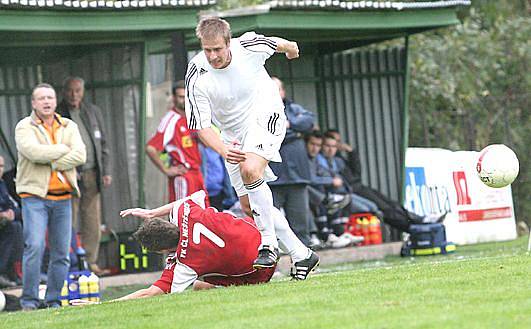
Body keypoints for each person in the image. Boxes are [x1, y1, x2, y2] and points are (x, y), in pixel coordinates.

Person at [185, 17, 318, 271]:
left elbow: (275, 43)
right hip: (231, 136)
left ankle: (268, 245)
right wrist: (224, 150)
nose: (212, 56)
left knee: (250, 169)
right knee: (249, 206)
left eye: (217, 49)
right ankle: (302, 254)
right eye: (207, 50)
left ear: (228, 42)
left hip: (266, 116)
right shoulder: (196, 72)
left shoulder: (248, 46)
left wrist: (291, 47)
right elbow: (201, 126)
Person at [15, 83, 86, 310]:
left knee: (62, 253)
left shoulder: (69, 125)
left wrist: (53, 161)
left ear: (55, 101)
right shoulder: (24, 127)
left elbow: (81, 155)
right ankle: (29, 301)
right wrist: (64, 150)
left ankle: (53, 300)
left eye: (50, 98)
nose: (46, 102)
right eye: (41, 98)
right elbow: (33, 153)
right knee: (34, 246)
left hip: (63, 198)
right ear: (33, 103)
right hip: (34, 196)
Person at [325, 129, 445, 232]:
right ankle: (413, 227)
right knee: (383, 208)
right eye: (330, 145)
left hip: (358, 186)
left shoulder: (339, 159)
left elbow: (357, 173)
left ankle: (419, 219)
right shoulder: (325, 161)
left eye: (336, 144)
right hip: (351, 191)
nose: (334, 147)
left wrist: (351, 152)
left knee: (391, 203)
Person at [57, 76, 112, 276]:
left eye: (78, 91)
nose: (74, 95)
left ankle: (91, 262)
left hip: (92, 173)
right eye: (70, 91)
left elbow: (103, 143)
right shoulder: (58, 113)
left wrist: (105, 171)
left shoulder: (92, 111)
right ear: (64, 92)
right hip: (70, 174)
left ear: (83, 91)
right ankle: (71, 262)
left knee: (92, 220)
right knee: (68, 219)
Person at [268, 77, 317, 248]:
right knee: (269, 226)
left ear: (282, 92)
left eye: (276, 89)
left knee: (300, 225)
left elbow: (309, 121)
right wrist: (293, 132)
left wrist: (289, 124)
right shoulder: (257, 110)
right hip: (272, 179)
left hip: (297, 178)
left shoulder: (294, 109)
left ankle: (305, 261)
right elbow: (271, 133)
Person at [146, 80, 207, 203]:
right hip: (183, 176)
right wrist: (167, 170)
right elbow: (151, 148)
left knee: (201, 215)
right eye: (180, 97)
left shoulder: (191, 118)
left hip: (197, 174)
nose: (184, 100)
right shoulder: (170, 119)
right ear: (174, 98)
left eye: (187, 97)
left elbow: (205, 143)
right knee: (181, 216)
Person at [305, 131, 358, 248]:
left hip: (336, 192)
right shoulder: (309, 158)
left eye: (318, 145)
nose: (315, 148)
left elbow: (355, 174)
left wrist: (352, 153)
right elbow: (310, 179)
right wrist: (330, 181)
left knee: (347, 198)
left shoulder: (335, 161)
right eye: (312, 144)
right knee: (323, 198)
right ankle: (325, 235)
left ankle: (339, 233)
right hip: (310, 193)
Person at [0, 155, 23, 288]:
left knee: (17, 225)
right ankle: (3, 272)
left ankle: (16, 270)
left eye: (1, 166)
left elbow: (14, 206)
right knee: (12, 228)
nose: (0, 170)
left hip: (5, 222)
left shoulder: (3, 184)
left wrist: (12, 213)